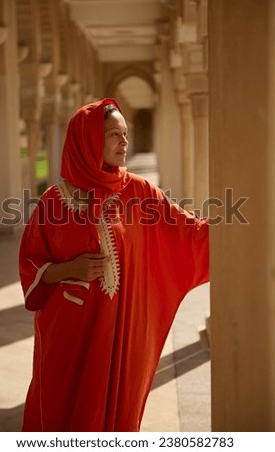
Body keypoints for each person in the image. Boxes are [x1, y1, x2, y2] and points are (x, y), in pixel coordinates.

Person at [19, 97, 209, 432]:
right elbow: (30, 264)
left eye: (125, 133)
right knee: (65, 412)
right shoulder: (53, 201)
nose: (124, 141)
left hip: (122, 331)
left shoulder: (139, 191)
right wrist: (68, 270)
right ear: (87, 140)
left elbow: (187, 233)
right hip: (69, 334)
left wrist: (241, 229)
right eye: (112, 134)